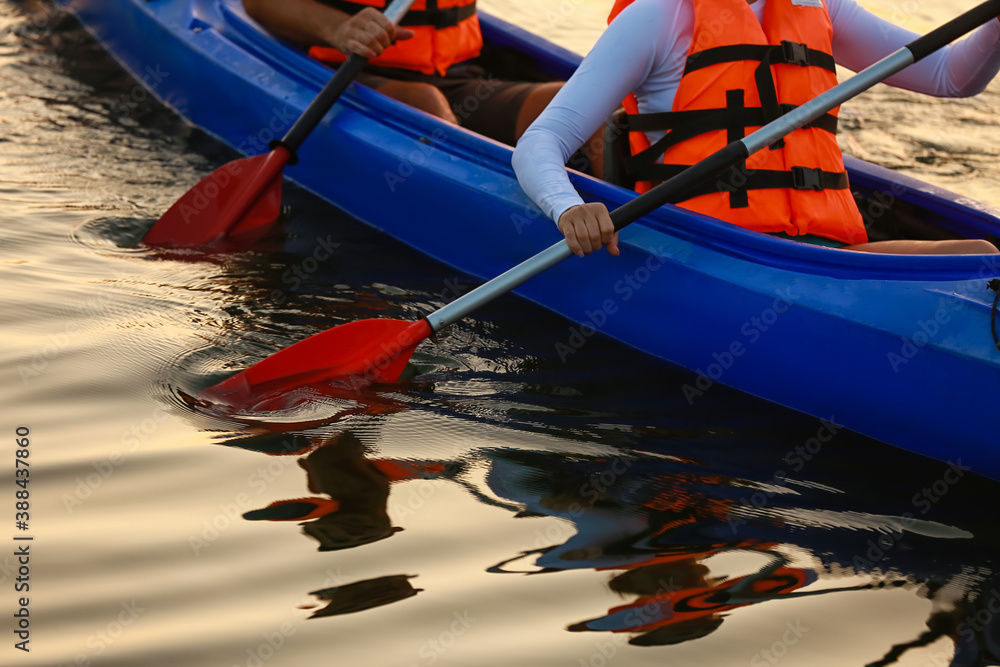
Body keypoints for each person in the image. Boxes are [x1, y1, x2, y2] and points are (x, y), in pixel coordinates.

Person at [511, 0, 1000, 257]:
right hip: (713, 248)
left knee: (980, 257)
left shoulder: (821, 6)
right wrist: (568, 208)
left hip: (826, 251)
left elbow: (950, 76)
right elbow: (540, 142)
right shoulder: (657, 17)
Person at [242, 0, 598, 150]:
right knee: (425, 103)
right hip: (350, 71)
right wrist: (339, 28)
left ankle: (618, 217)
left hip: (459, 76)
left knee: (578, 104)